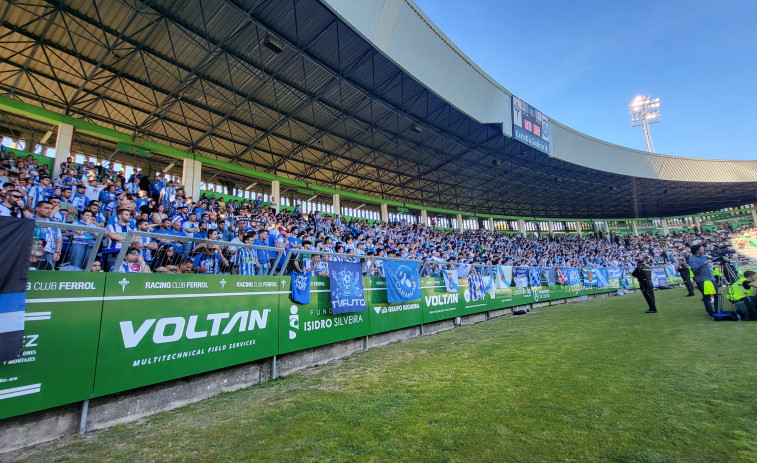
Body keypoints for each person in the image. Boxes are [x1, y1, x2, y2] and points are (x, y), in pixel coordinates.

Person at [689, 244, 719, 315]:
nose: (703, 250)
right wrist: (704, 263)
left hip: (711, 278)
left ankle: (718, 310)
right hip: (702, 280)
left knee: (717, 294)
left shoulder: (704, 257)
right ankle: (711, 312)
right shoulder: (692, 259)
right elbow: (694, 269)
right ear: (697, 251)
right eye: (702, 249)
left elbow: (713, 259)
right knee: (706, 297)